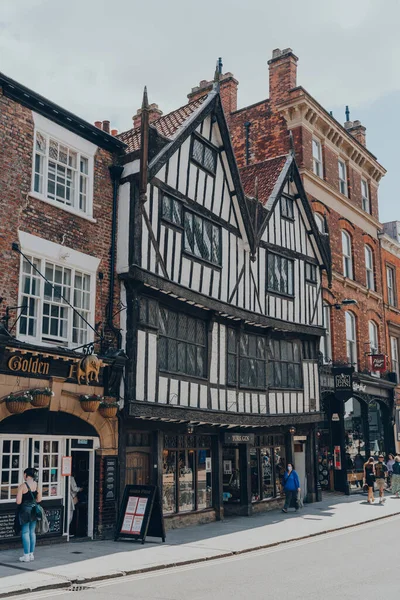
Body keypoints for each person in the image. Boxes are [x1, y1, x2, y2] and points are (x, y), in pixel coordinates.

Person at [16, 468, 42, 562]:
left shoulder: (22, 486)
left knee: (25, 532)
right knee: (32, 532)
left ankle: (26, 555)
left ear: (26, 475)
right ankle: (31, 554)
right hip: (34, 510)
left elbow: (18, 501)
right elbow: (39, 500)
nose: (23, 476)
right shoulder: (37, 485)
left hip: (25, 511)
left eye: (24, 474)